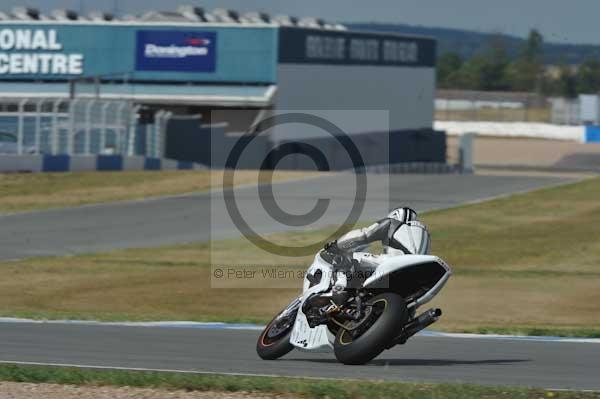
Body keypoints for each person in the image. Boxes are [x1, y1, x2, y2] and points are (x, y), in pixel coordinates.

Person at [322, 206, 431, 271]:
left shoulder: (392, 223)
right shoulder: (425, 234)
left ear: (395, 215)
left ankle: (339, 289)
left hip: (393, 262)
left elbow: (363, 235)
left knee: (345, 259)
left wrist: (336, 245)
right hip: (417, 270)